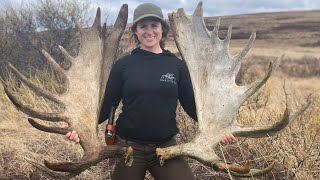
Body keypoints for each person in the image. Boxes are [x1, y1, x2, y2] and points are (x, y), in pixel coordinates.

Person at [65, 3, 237, 180]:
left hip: (166, 148)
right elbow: (108, 104)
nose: (149, 31)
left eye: (154, 25)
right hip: (127, 148)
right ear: (135, 31)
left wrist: (220, 128)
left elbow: (193, 107)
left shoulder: (177, 66)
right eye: (143, 26)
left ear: (163, 29)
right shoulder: (123, 65)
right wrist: (78, 125)